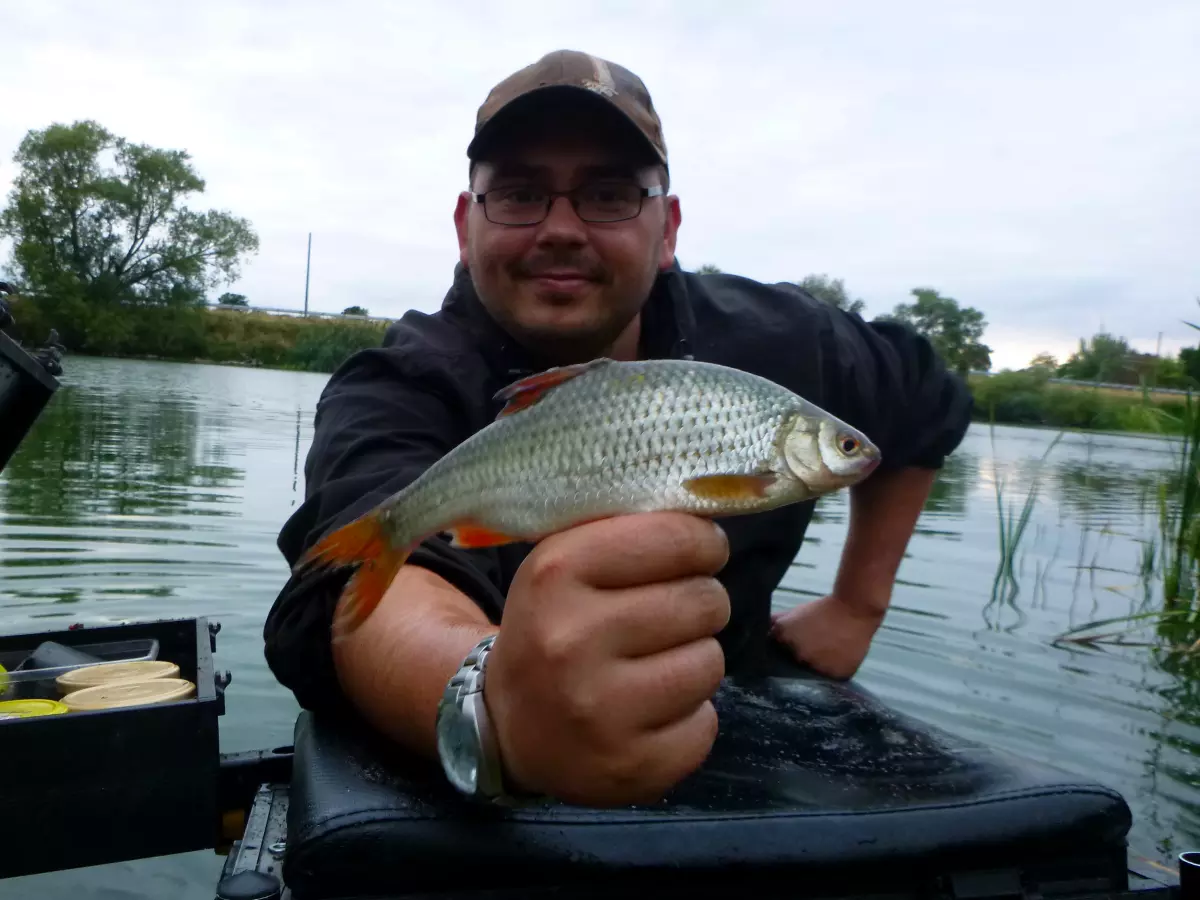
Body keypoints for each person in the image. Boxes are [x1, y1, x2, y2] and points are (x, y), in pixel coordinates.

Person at [264, 50, 973, 808]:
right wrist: (489, 702)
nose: (561, 228)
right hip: (490, 802)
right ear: (466, 226)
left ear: (666, 229)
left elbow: (928, 397)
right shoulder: (398, 383)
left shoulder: (783, 346)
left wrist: (857, 604)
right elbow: (366, 603)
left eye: (606, 194)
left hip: (733, 769)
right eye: (519, 193)